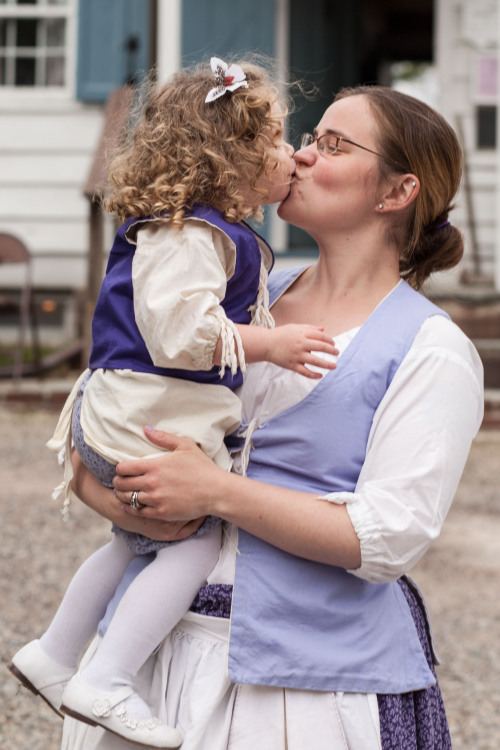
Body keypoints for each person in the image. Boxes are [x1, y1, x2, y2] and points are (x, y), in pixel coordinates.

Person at [64, 83, 483, 750]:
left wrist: (215, 493)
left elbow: (387, 539)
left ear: (396, 192)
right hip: (145, 653)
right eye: (310, 138)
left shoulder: (433, 350)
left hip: (301, 687)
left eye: (334, 144)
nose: (303, 155)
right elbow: (113, 405)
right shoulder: (236, 284)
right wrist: (106, 490)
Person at [7, 58, 338, 749]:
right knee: (197, 538)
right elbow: (180, 333)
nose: (294, 156)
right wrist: (268, 345)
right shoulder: (189, 232)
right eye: (279, 142)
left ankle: (57, 651)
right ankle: (109, 677)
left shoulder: (207, 231)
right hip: (137, 410)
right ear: (233, 158)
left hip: (136, 408)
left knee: (135, 541)